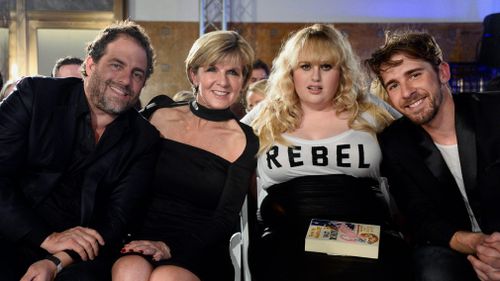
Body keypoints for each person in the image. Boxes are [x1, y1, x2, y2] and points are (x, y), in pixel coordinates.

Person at [243, 23, 410, 281]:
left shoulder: (368, 109)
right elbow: (219, 144)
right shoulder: (266, 114)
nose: (315, 77)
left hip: (363, 234)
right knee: (279, 257)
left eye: (326, 66)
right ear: (291, 72)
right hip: (285, 235)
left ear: (341, 71)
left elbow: (420, 143)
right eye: (305, 66)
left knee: (385, 257)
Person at [0, 20, 159, 281]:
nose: (125, 80)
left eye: (137, 73)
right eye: (116, 65)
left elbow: (116, 220)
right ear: (90, 64)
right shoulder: (36, 96)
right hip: (11, 230)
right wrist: (46, 238)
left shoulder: (143, 139)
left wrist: (56, 262)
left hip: (79, 255)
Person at [112, 30, 258, 281]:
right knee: (129, 271)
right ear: (194, 74)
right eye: (212, 69)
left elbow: (224, 218)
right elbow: (123, 181)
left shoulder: (244, 139)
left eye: (233, 72)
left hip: (200, 246)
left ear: (243, 81)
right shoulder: (157, 115)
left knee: (166, 278)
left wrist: (171, 248)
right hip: (141, 233)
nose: (222, 82)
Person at [366, 31, 500, 281]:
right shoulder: (394, 142)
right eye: (393, 85)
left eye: (414, 75)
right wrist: (479, 244)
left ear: (443, 73)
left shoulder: (493, 113)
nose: (406, 92)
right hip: (455, 248)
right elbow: (421, 218)